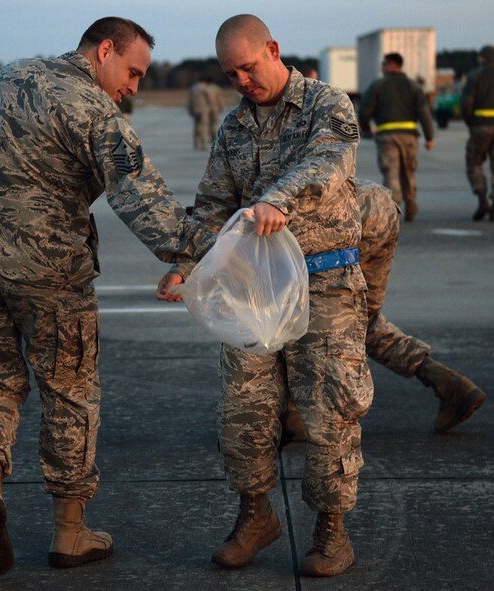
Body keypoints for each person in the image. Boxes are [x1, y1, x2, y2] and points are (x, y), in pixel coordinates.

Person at [0, 16, 229, 577]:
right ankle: (69, 532)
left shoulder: (0, 78)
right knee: (69, 390)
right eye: (132, 71)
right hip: (48, 270)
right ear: (105, 50)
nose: (134, 86)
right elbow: (145, 204)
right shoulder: (94, 110)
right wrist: (213, 254)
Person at [157, 14, 368, 577]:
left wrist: (277, 200)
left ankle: (331, 532)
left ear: (272, 50)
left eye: (248, 68)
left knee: (330, 412)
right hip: (256, 291)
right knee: (242, 412)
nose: (242, 82)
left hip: (326, 285)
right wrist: (185, 265)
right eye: (232, 74)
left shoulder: (328, 104)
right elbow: (211, 204)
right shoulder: (233, 127)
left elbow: (329, 162)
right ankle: (255, 516)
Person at [278, 180, 486, 445]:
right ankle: (449, 384)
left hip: (344, 219)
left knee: (307, 314)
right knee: (362, 320)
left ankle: (295, 415)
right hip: (379, 204)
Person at [358, 52, 435, 222]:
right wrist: (429, 137)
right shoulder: (414, 86)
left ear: (392, 64)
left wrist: (366, 128)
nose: (382, 68)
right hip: (410, 137)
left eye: (384, 64)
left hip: (387, 137)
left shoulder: (378, 85)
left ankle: (394, 209)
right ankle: (411, 200)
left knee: (391, 173)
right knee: (408, 172)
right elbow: (424, 113)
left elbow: (364, 110)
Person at [460, 45, 494, 221]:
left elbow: (466, 103)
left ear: (482, 58)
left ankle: (482, 199)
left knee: (474, 163)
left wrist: (469, 121)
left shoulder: (475, 76)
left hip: (480, 127)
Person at [188, 75, 224, 150]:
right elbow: (209, 99)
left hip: (195, 109)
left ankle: (196, 142)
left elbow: (190, 101)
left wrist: (190, 109)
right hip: (204, 109)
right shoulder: (206, 88)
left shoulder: (193, 88)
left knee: (196, 126)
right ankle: (203, 144)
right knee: (204, 126)